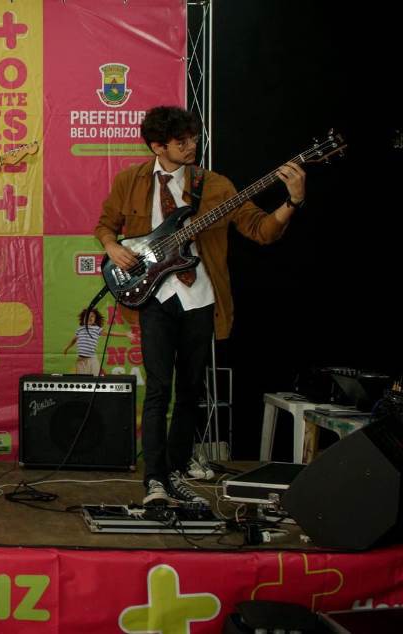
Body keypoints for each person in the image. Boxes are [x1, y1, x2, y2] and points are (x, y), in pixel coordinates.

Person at [94, 106, 306, 506]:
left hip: (200, 298)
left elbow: (261, 230)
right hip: (154, 297)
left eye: (193, 138)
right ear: (158, 146)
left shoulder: (216, 185)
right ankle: (154, 479)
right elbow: (106, 224)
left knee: (190, 390)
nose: (192, 146)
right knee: (159, 389)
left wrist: (292, 201)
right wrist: (112, 247)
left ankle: (176, 471)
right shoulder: (130, 180)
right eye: (181, 142)